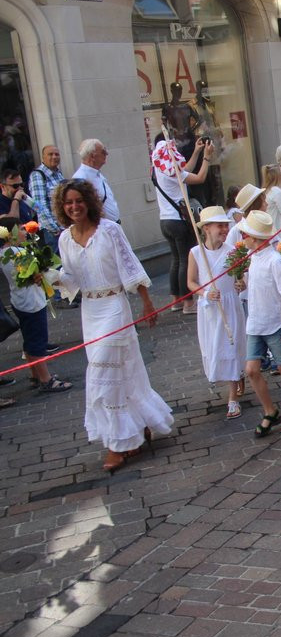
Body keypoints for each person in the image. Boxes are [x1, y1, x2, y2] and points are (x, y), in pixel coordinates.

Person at [53, 179, 171, 471]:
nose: (74, 207)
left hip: (114, 307)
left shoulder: (109, 230)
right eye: (68, 202)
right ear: (62, 207)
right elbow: (71, 279)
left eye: (79, 200)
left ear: (89, 202)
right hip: (90, 311)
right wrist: (46, 277)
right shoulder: (64, 239)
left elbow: (130, 266)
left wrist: (146, 302)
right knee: (124, 373)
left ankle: (118, 444)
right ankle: (139, 424)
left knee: (101, 375)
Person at [238, 210, 281, 437]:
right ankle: (270, 410)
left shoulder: (275, 260)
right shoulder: (253, 258)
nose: (241, 237)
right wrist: (242, 287)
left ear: (255, 238)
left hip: (275, 323)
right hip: (255, 323)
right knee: (252, 370)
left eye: (244, 234)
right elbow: (257, 287)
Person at [186, 206, 246, 419]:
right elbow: (191, 281)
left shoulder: (233, 250)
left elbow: (241, 278)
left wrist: (240, 284)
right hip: (210, 310)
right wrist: (204, 293)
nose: (224, 229)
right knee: (216, 348)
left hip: (230, 305)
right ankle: (236, 377)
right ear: (207, 229)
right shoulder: (195, 253)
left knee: (231, 346)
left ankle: (232, 398)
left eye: (225, 225)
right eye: (219, 225)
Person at [0, 224, 72, 392]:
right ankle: (46, 380)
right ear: (11, 235)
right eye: (22, 229)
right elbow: (31, 276)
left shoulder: (5, 253)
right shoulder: (18, 254)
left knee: (30, 339)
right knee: (37, 342)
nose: (26, 232)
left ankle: (35, 375)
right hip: (31, 303)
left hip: (19, 301)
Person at [152, 137, 214, 316]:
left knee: (176, 260)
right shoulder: (174, 173)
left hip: (165, 221)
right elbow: (200, 177)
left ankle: (176, 301)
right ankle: (188, 302)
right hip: (178, 221)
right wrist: (207, 157)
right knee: (185, 260)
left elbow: (184, 170)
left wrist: (196, 151)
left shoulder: (159, 169)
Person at [72, 139, 121, 222]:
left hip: (112, 227)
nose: (107, 153)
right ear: (92, 156)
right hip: (100, 230)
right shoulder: (80, 179)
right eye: (103, 151)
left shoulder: (96, 173)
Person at [26, 145, 64, 251]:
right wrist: (54, 229)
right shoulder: (38, 175)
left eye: (57, 154)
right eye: (50, 154)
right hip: (53, 232)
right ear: (43, 157)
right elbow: (39, 205)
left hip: (64, 228)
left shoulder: (58, 174)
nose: (54, 157)